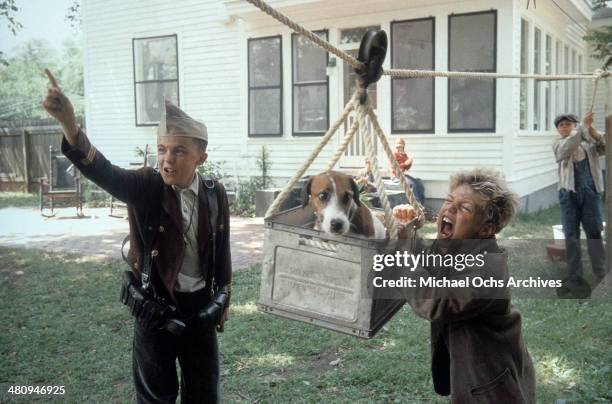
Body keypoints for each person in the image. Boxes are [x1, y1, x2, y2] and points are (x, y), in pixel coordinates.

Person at [42, 69, 231, 404]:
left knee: (204, 394)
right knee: (155, 397)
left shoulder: (215, 194)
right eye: (162, 150)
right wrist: (70, 125)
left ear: (202, 157)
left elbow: (222, 252)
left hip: (200, 311)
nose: (167, 160)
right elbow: (103, 171)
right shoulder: (146, 185)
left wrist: (223, 298)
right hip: (155, 310)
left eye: (179, 151)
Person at [392, 168, 535, 403]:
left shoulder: (488, 271)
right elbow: (430, 266)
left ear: (486, 229)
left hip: (493, 382)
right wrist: (407, 235)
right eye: (449, 201)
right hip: (475, 371)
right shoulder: (456, 246)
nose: (449, 209)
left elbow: (436, 303)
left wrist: (403, 251)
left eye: (465, 208)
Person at [552, 112, 606, 297]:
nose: (564, 127)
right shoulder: (559, 144)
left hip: (591, 193)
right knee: (571, 235)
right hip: (568, 195)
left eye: (568, 124)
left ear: (574, 126)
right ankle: (574, 276)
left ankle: (600, 271)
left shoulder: (588, 143)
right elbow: (566, 150)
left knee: (593, 231)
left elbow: (605, 147)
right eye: (561, 125)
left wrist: (592, 131)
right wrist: (581, 127)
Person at [391, 137, 426, 207]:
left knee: (418, 182)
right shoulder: (394, 154)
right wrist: (406, 163)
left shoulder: (404, 155)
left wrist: (410, 163)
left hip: (403, 175)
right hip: (396, 176)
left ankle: (422, 202)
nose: (398, 145)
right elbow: (395, 168)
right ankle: (416, 203)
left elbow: (406, 168)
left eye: (400, 143)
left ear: (403, 145)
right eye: (397, 143)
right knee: (412, 184)